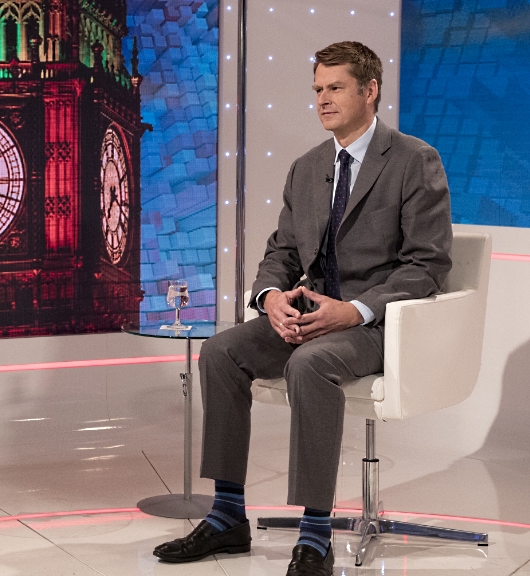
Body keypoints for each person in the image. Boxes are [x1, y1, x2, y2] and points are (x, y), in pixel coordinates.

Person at [152, 41, 452, 576]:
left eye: (336, 87)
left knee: (308, 365)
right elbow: (283, 252)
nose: (323, 99)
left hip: (375, 323)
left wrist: (354, 310)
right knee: (220, 352)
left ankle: (315, 535)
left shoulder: (413, 159)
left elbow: (427, 265)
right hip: (309, 314)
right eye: (317, 89)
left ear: (370, 90)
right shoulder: (307, 167)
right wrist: (270, 298)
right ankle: (227, 515)